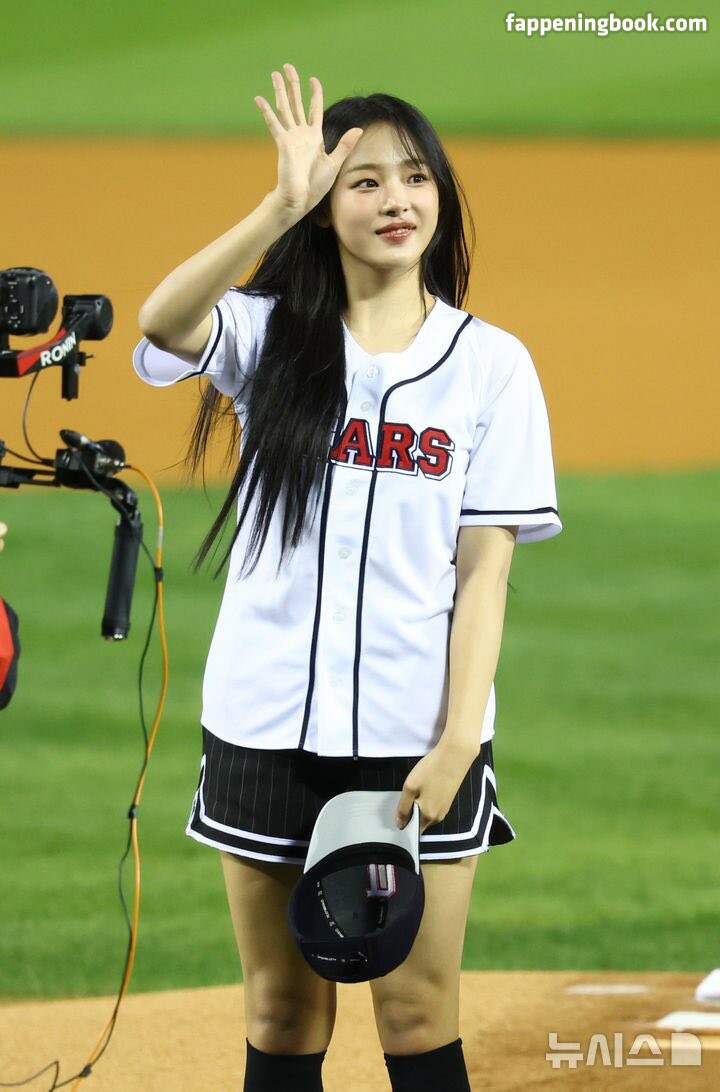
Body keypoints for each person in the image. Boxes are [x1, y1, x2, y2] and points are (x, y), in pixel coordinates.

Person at [133, 64, 561, 1092]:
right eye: (363, 182)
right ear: (326, 207)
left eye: (414, 177)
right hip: (264, 725)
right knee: (281, 1017)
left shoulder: (491, 366)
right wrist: (275, 206)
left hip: (420, 741)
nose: (395, 199)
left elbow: (484, 574)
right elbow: (162, 321)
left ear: (440, 195)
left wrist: (458, 742)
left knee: (417, 1018)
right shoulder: (269, 336)